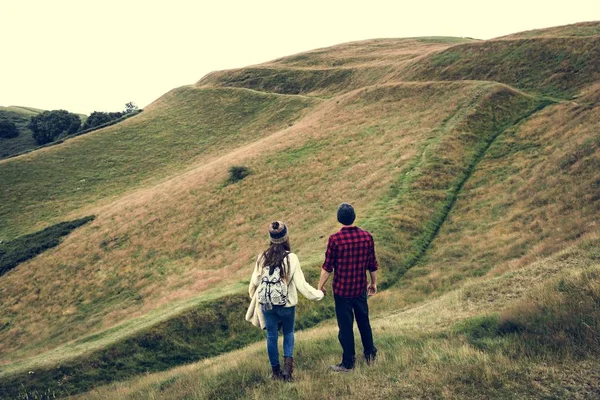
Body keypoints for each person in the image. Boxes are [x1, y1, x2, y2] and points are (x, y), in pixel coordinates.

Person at [247, 221, 324, 381]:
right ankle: (287, 372)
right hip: (287, 306)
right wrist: (319, 294)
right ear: (286, 237)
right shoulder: (291, 258)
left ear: (270, 238)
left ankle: (275, 373)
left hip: (267, 305)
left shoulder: (262, 256)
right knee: (288, 333)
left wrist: (255, 297)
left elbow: (254, 281)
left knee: (271, 336)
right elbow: (302, 286)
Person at [318, 203, 378, 372]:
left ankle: (348, 362)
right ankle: (370, 355)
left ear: (339, 219)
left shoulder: (335, 240)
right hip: (360, 289)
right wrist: (373, 283)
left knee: (346, 327)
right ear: (354, 217)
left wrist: (320, 286)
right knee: (364, 323)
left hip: (342, 292)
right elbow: (372, 264)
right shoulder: (367, 237)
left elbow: (327, 267)